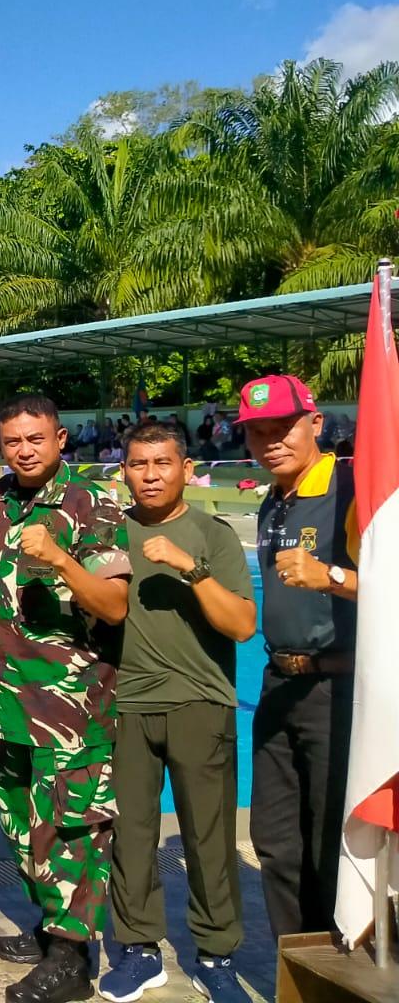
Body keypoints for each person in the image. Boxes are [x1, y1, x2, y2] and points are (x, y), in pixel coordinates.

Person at [0, 394, 130, 1003]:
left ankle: (72, 955)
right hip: (11, 693)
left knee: (70, 827)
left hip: (72, 702)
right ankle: (48, 926)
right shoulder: (0, 498)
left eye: (36, 438)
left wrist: (60, 558)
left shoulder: (92, 502)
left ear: (61, 439)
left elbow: (115, 605)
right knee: (16, 816)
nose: (24, 450)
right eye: (12, 441)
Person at [95, 420, 254, 1003]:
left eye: (162, 463)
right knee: (130, 836)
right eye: (139, 464)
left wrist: (191, 568)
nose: (151, 474)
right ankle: (139, 950)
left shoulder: (212, 534)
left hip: (199, 703)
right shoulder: (113, 533)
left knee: (207, 838)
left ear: (186, 469)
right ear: (125, 471)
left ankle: (216, 954)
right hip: (129, 704)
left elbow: (241, 625)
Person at [237, 375, 358, 941]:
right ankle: (298, 964)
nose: (270, 441)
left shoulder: (354, 486)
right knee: (276, 840)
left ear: (315, 422)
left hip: (337, 688)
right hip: (277, 683)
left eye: (282, 427)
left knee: (334, 839)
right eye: (257, 432)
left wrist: (330, 577)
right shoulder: (274, 499)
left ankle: (348, 965)